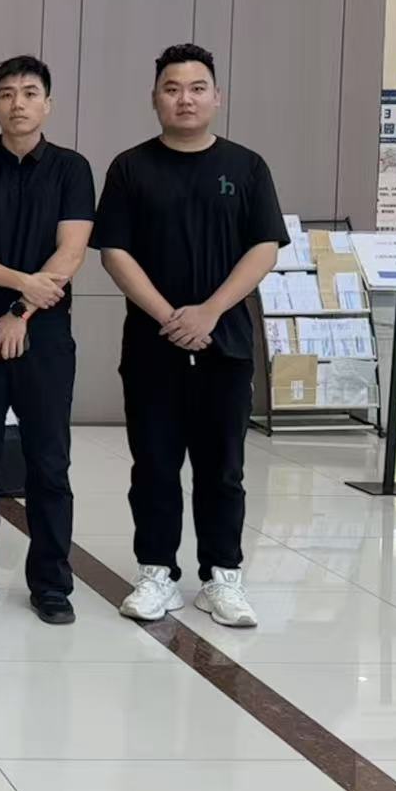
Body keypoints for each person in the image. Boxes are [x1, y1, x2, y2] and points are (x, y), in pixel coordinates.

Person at [93, 43, 287, 629]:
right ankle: (156, 573)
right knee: (153, 464)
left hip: (225, 345)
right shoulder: (130, 167)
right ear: (155, 98)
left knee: (222, 467)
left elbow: (264, 248)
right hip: (151, 347)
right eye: (172, 89)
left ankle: (222, 577)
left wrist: (209, 312)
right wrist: (170, 317)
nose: (185, 99)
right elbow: (114, 252)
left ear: (216, 97)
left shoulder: (247, 167)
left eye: (197, 88)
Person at [0, 56, 95, 626]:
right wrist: (20, 286)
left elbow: (71, 252)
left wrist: (22, 311)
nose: (18, 103)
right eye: (7, 94)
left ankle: (51, 584)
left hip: (45, 335)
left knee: (48, 462)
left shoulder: (72, 169)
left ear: (47, 104)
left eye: (30, 93)